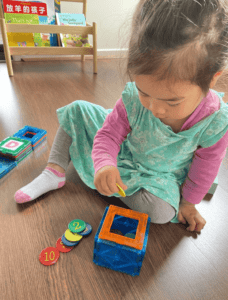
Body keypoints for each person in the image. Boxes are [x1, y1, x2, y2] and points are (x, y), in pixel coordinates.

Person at [14, 0, 228, 232]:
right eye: (144, 92)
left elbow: (206, 166)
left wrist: (188, 203)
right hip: (125, 149)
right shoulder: (134, 101)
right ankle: (54, 171)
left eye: (172, 101)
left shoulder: (215, 122)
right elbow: (109, 134)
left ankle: (85, 167)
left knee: (161, 212)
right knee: (77, 110)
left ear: (211, 78)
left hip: (158, 175)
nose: (155, 109)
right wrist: (105, 163)